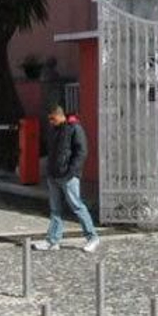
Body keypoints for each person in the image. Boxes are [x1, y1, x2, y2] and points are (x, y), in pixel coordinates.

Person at [31, 105, 100, 252]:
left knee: (77, 207)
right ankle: (52, 241)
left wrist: (71, 172)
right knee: (55, 209)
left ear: (60, 115)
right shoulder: (54, 130)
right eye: (49, 119)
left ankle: (92, 237)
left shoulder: (74, 128)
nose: (50, 122)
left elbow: (81, 152)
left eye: (52, 119)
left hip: (68, 176)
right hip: (54, 175)